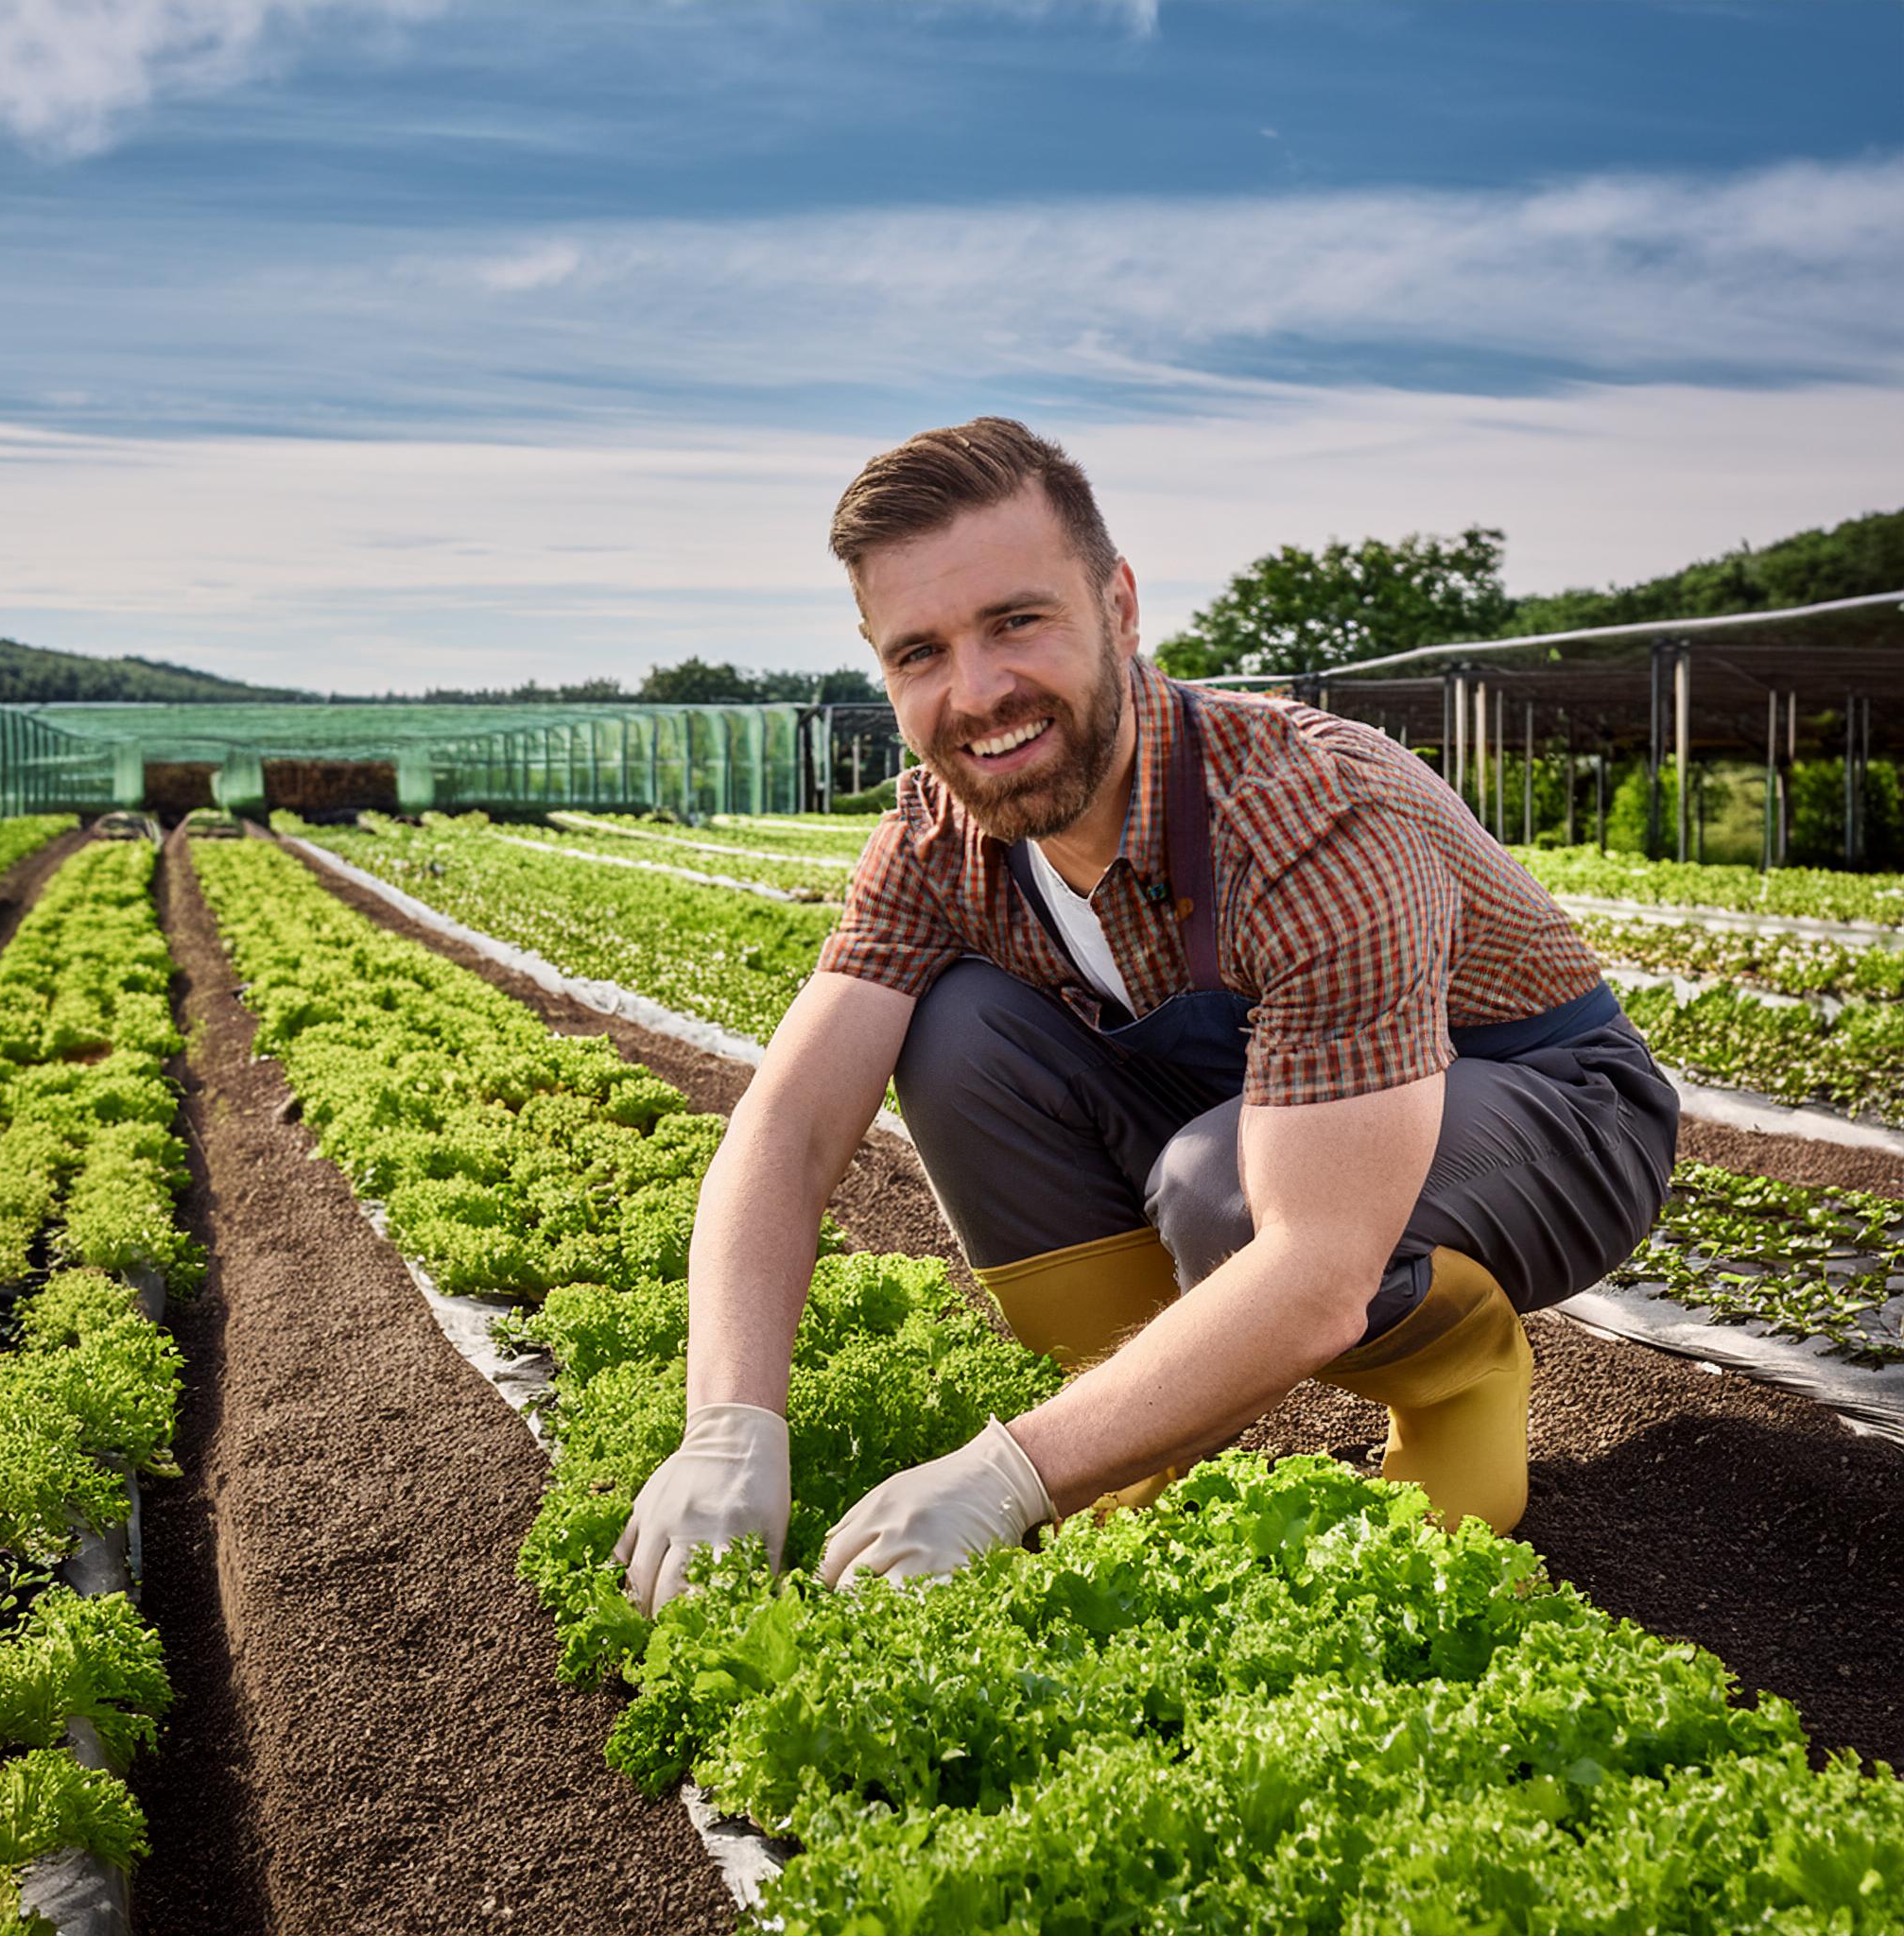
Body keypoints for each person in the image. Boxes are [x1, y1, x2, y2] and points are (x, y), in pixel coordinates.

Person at [614, 417, 1679, 1615]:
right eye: (920, 651)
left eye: (1016, 620)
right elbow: (790, 1125)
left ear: (1119, 604)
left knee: (1220, 1189)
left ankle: (1455, 1372)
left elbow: (1316, 1262)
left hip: (1551, 1114)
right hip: (1258, 1105)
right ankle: (1134, 1431)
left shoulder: (1308, 814)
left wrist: (1006, 1474)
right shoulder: (934, 838)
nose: (976, 692)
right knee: (956, 1029)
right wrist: (727, 1426)